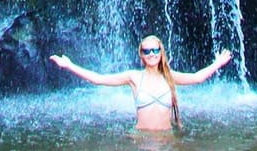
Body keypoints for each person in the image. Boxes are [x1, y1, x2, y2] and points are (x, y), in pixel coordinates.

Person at [49, 35, 233, 131]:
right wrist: (70, 65)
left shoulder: (170, 76)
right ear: (142, 55)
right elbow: (99, 79)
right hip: (141, 140)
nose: (151, 54)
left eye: (155, 50)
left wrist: (218, 63)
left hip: (166, 140)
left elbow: (197, 77)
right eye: (147, 51)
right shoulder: (134, 77)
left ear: (161, 52)